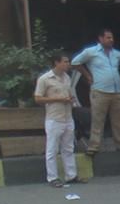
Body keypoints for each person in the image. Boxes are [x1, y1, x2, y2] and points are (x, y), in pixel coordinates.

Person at [71, 28, 120, 155]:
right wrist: (87, 75)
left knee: (118, 120)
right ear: (100, 39)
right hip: (100, 91)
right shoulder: (91, 52)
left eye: (112, 38)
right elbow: (75, 62)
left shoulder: (117, 54)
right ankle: (94, 146)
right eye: (108, 37)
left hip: (116, 92)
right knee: (98, 119)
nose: (111, 40)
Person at [34, 53, 83, 187]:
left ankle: (71, 175)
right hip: (54, 117)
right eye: (65, 62)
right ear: (57, 63)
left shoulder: (67, 78)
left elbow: (69, 93)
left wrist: (70, 100)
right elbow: (38, 98)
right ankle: (52, 177)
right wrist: (58, 99)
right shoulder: (45, 79)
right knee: (52, 149)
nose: (68, 64)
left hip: (67, 116)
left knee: (68, 148)